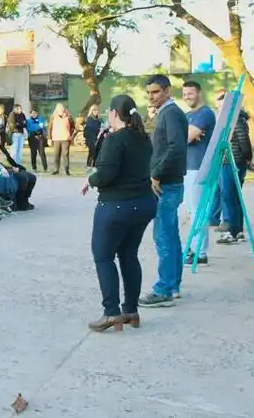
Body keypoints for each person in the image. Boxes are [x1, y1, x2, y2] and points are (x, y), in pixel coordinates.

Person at [81, 94, 157, 332]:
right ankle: (131, 310)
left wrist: (91, 179)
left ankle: (111, 312)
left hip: (116, 205)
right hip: (143, 203)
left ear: (114, 113)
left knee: (103, 256)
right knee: (128, 254)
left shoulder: (116, 140)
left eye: (108, 113)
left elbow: (105, 174)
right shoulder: (144, 138)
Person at [140, 74, 188, 308]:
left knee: (163, 237)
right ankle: (173, 284)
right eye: (149, 93)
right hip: (168, 182)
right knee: (170, 235)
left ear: (167, 91)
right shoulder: (166, 113)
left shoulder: (171, 113)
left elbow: (176, 148)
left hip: (167, 184)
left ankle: (164, 289)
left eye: (156, 92)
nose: (152, 97)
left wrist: (157, 173)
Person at [182, 81, 216, 266]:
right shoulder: (189, 115)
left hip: (198, 167)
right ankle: (195, 248)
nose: (187, 97)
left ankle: (200, 253)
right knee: (193, 210)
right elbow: (179, 135)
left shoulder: (205, 114)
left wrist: (185, 135)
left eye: (191, 93)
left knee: (197, 211)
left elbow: (184, 137)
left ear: (199, 93)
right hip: (189, 167)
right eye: (185, 94)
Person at [213, 91, 253, 245]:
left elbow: (244, 142)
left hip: (232, 162)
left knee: (229, 197)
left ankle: (232, 231)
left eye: (224, 105)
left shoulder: (236, 121)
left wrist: (247, 159)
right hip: (227, 162)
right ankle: (238, 230)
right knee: (233, 197)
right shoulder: (227, 120)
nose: (221, 108)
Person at [0, 132, 36, 211]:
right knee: (23, 178)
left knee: (32, 177)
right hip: (4, 170)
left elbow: (10, 159)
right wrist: (12, 169)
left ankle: (25, 200)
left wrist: (18, 167)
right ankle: (20, 202)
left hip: (12, 168)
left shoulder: (1, 147)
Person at [48, 103, 74, 176]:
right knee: (56, 155)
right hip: (56, 139)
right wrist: (49, 138)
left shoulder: (68, 117)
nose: (61, 109)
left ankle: (66, 170)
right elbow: (50, 128)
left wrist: (71, 135)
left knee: (65, 155)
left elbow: (73, 126)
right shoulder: (53, 117)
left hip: (65, 138)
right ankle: (56, 170)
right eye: (59, 108)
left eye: (62, 108)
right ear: (57, 109)